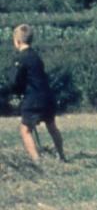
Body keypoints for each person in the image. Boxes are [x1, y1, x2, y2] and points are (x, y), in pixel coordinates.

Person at [11, 24, 66, 164]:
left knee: (25, 130)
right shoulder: (36, 56)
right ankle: (61, 156)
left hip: (33, 99)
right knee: (52, 127)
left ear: (17, 41)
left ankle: (37, 161)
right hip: (47, 97)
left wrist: (15, 93)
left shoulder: (21, 59)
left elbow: (16, 82)